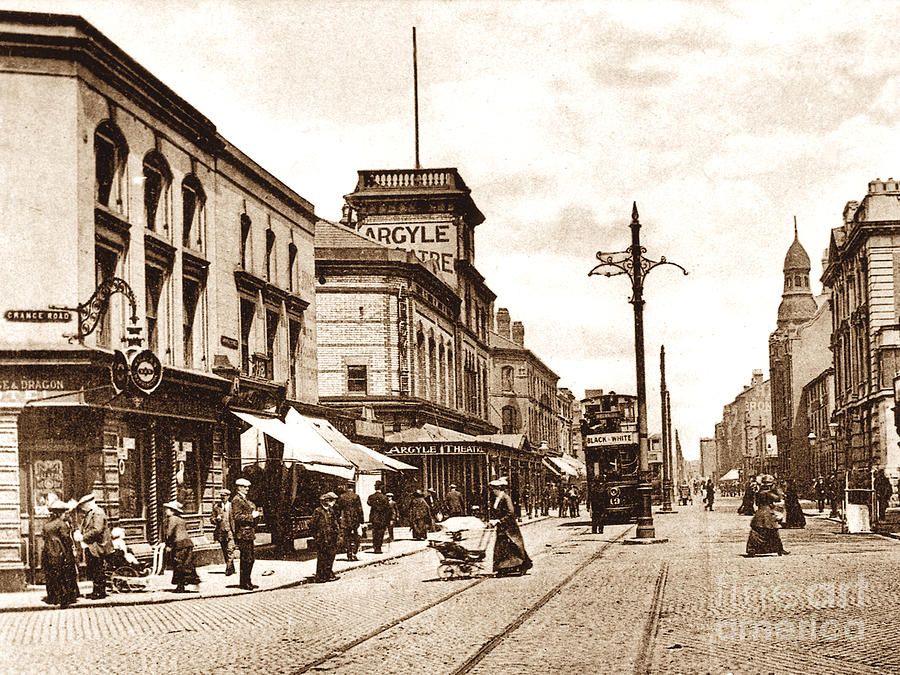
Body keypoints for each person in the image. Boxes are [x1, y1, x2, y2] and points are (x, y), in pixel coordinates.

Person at [489, 477, 533, 576]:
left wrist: (500, 520)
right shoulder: (497, 498)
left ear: (499, 489)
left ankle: (521, 565)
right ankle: (503, 568)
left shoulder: (506, 497)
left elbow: (511, 512)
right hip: (502, 527)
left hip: (509, 527)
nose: (493, 491)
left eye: (494, 489)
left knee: (514, 546)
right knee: (502, 547)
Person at [41, 500, 79, 608]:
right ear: (60, 513)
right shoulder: (61, 524)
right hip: (60, 552)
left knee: (51, 575)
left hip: (48, 552)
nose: (64, 515)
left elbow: (43, 536)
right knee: (63, 575)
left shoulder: (47, 525)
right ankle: (65, 598)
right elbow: (66, 539)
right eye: (63, 513)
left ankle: (53, 598)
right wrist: (70, 552)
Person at [75, 493, 113, 599]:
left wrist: (83, 537)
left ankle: (100, 592)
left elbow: (97, 530)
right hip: (92, 546)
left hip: (98, 546)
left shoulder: (98, 513)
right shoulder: (90, 513)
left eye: (84, 506)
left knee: (98, 569)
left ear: (89, 503)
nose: (83, 508)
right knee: (94, 569)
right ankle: (96, 591)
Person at [164, 501, 200, 592]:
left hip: (179, 544)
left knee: (178, 564)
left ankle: (180, 586)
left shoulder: (172, 519)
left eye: (167, 509)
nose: (165, 511)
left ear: (172, 511)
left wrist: (168, 544)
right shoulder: (180, 519)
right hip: (187, 543)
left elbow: (169, 533)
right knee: (187, 564)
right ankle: (191, 581)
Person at [231, 477, 259, 590]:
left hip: (249, 533)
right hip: (243, 533)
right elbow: (237, 517)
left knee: (250, 559)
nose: (247, 489)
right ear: (239, 488)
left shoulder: (245, 499)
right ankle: (244, 582)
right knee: (246, 559)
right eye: (245, 487)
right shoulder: (236, 500)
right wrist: (252, 516)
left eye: (248, 487)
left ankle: (248, 581)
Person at [746, 491, 788, 556]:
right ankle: (779, 549)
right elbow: (778, 499)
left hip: (759, 513)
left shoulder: (758, 493)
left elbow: (757, 503)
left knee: (755, 533)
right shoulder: (769, 493)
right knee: (774, 532)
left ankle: (751, 550)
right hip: (768, 514)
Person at [310, 492, 340, 582]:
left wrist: (337, 533)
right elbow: (312, 524)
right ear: (326, 501)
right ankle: (320, 576)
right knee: (322, 557)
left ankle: (328, 574)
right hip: (322, 538)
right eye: (332, 501)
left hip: (331, 537)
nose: (334, 502)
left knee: (330, 556)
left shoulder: (330, 510)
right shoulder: (318, 511)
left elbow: (335, 523)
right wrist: (317, 536)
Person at [335, 483, 363, 560]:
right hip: (354, 519)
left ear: (347, 488)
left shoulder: (342, 497)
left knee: (347, 537)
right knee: (356, 536)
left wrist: (338, 519)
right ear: (353, 488)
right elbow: (359, 509)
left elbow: (338, 509)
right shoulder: (356, 496)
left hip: (345, 520)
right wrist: (362, 520)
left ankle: (349, 553)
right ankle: (354, 552)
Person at [210, 489, 235, 576]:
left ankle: (228, 569)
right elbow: (211, 520)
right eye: (221, 496)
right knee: (225, 550)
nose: (222, 498)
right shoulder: (216, 507)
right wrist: (216, 519)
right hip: (221, 532)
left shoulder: (232, 506)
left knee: (230, 549)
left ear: (228, 496)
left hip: (230, 531)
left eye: (224, 496)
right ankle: (231, 566)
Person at [367, 481, 392, 554]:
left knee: (375, 533)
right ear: (381, 487)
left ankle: (375, 547)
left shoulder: (371, 497)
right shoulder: (384, 498)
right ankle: (379, 548)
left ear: (375, 487)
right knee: (381, 533)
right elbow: (388, 509)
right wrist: (389, 519)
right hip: (382, 518)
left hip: (374, 517)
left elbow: (368, 503)